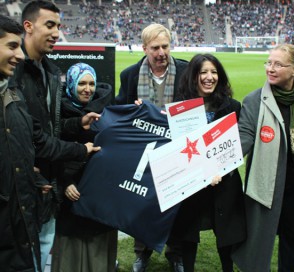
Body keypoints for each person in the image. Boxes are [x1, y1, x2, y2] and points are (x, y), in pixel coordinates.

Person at [0, 15, 99, 272]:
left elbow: (37, 134)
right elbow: (39, 141)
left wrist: (77, 127)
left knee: (37, 249)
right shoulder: (15, 83)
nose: (19, 55)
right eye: (12, 46)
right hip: (15, 203)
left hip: (29, 196)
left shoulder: (19, 89)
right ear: (29, 26)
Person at [232, 44, 294, 272]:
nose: (270, 68)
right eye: (268, 63)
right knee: (258, 244)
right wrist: (218, 159)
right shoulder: (254, 100)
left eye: (278, 64)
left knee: (292, 244)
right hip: (266, 188)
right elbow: (244, 138)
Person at [115, 23, 188, 272]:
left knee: (177, 203)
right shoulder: (130, 75)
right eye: (155, 48)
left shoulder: (187, 70)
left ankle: (175, 253)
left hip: (178, 148)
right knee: (143, 202)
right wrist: (132, 110)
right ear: (144, 48)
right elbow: (120, 109)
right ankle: (142, 252)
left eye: (165, 46)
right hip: (143, 151)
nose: (161, 53)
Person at [170, 53, 246, 272]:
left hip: (224, 182)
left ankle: (227, 268)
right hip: (192, 183)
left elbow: (235, 146)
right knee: (188, 233)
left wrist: (220, 171)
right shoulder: (181, 108)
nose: (209, 77)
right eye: (203, 72)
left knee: (226, 233)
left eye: (213, 72)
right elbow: (176, 147)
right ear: (193, 77)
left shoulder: (233, 106)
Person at [51, 63, 117, 272]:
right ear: (71, 83)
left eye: (91, 83)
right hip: (71, 195)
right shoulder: (57, 110)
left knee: (98, 247)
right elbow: (52, 151)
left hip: (100, 195)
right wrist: (65, 182)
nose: (87, 89)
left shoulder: (107, 110)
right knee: (71, 252)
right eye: (81, 83)